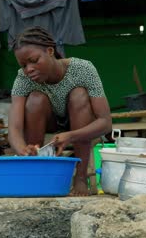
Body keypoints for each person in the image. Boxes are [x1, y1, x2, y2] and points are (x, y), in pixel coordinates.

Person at [8, 26, 112, 196]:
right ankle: (35, 169)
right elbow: (14, 128)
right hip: (48, 123)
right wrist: (23, 150)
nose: (29, 69)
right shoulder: (23, 79)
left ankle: (80, 177)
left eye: (34, 60)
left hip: (79, 122)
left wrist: (70, 135)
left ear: (50, 51)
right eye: (24, 65)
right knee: (35, 99)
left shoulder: (83, 69)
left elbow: (105, 123)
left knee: (79, 94)